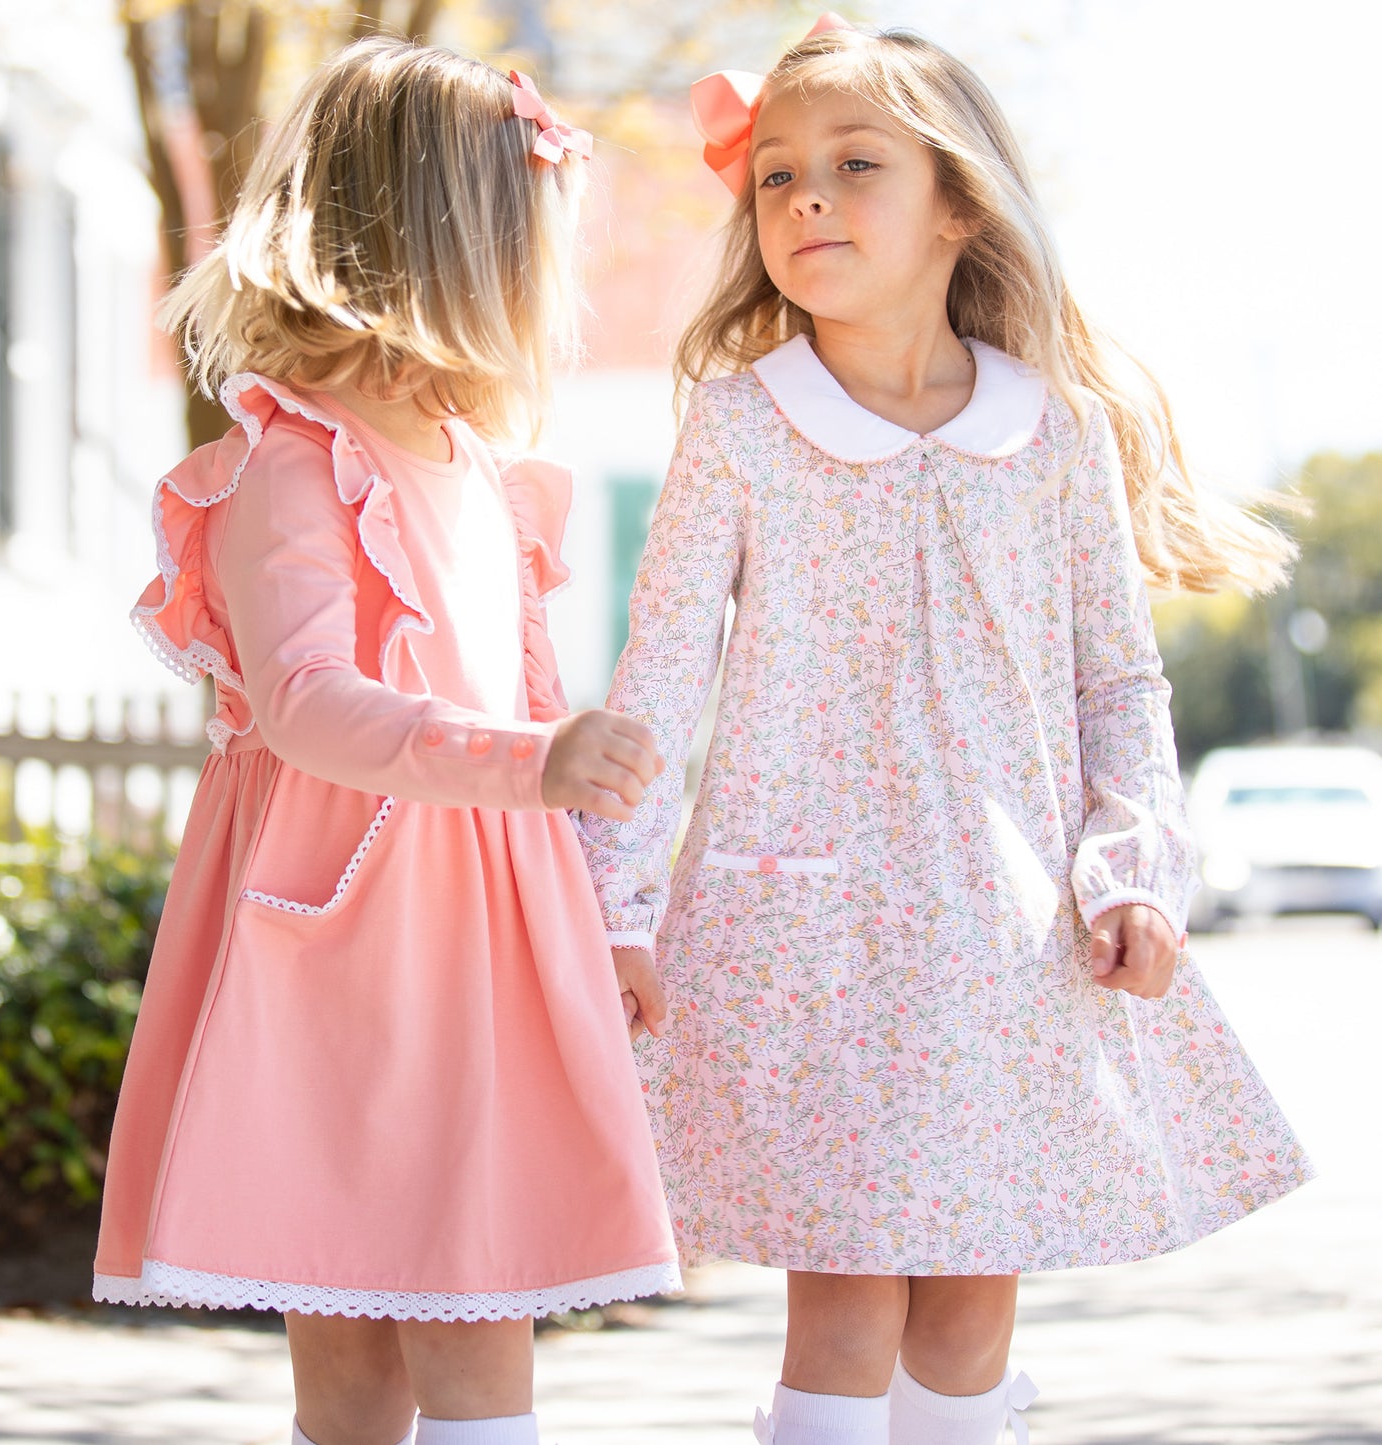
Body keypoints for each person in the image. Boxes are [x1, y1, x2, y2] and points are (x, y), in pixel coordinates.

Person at [580, 15, 1311, 1445]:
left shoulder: (1055, 436)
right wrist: (617, 900)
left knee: (973, 1299)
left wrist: (1136, 867)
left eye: (855, 165)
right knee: (843, 1294)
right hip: (807, 933)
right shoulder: (737, 428)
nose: (805, 199)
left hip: (1004, 938)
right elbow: (657, 680)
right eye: (776, 174)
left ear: (958, 206)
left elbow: (1120, 684)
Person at [92, 38, 679, 1445]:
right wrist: (524, 764)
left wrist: (611, 914)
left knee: (482, 1307)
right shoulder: (292, 461)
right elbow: (306, 701)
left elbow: (535, 700)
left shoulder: (482, 474)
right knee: (349, 1342)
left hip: (481, 930)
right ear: (449, 250)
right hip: (343, 936)